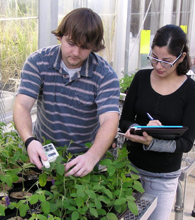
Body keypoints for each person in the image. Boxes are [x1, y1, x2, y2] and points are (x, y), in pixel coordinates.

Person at [13, 8, 120, 178]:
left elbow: (109, 120)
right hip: (44, 154)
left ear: (94, 46)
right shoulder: (38, 62)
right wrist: (29, 140)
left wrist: (92, 156)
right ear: (60, 36)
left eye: (85, 47)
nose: (76, 53)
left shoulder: (104, 75)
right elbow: (22, 105)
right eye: (71, 43)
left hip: (83, 160)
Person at [119, 24, 195, 220]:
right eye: (154, 58)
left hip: (163, 178)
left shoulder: (192, 92)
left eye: (166, 61)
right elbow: (125, 120)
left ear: (181, 57)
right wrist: (135, 129)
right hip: (129, 171)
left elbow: (186, 143)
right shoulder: (140, 78)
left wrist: (151, 143)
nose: (158, 66)